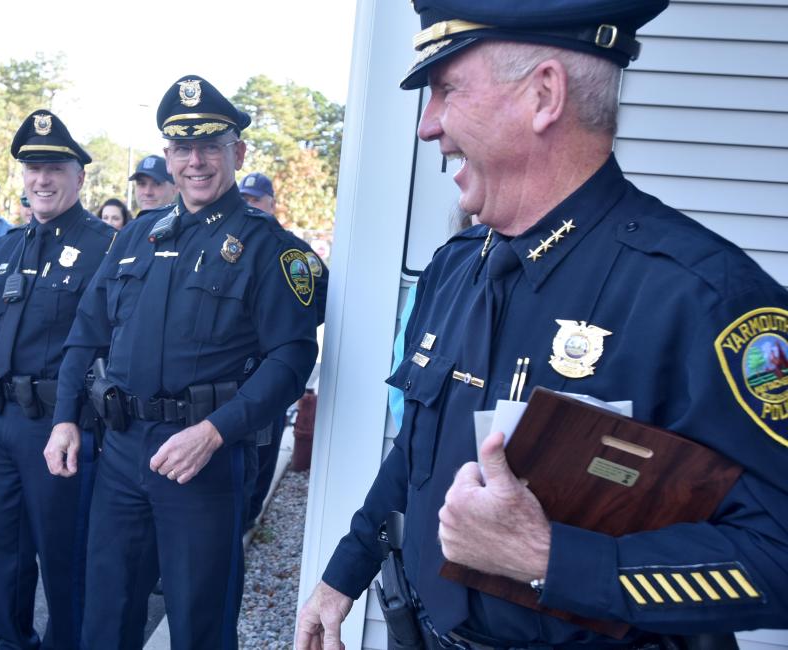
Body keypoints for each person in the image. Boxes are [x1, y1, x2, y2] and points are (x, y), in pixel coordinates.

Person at [297, 1, 788, 649]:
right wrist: (341, 575)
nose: (429, 126)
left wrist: (550, 560)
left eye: (446, 89)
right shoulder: (454, 268)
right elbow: (417, 449)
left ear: (543, 95)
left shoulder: (700, 298)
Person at [43, 75, 320, 650]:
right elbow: (87, 332)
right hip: (120, 452)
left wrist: (217, 432)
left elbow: (292, 357)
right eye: (182, 148)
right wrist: (65, 416)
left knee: (198, 623)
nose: (195, 162)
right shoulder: (138, 235)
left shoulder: (270, 247)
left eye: (210, 147)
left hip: (201, 462)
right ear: (168, 156)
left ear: (236, 154)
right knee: (106, 615)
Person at [0, 110, 115, 649]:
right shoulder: (7, 246)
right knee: (2, 550)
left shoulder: (105, 248)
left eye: (55, 167)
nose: (42, 178)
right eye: (33, 167)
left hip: (62, 430)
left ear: (80, 176)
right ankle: (12, 642)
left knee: (64, 557)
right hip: (1, 426)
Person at [237, 170, 329, 529]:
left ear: (272, 205)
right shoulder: (229, 243)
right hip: (225, 382)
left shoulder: (287, 248)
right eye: (244, 199)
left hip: (263, 375)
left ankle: (244, 528)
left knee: (257, 462)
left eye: (256, 200)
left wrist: (286, 329)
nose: (250, 206)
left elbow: (321, 292)